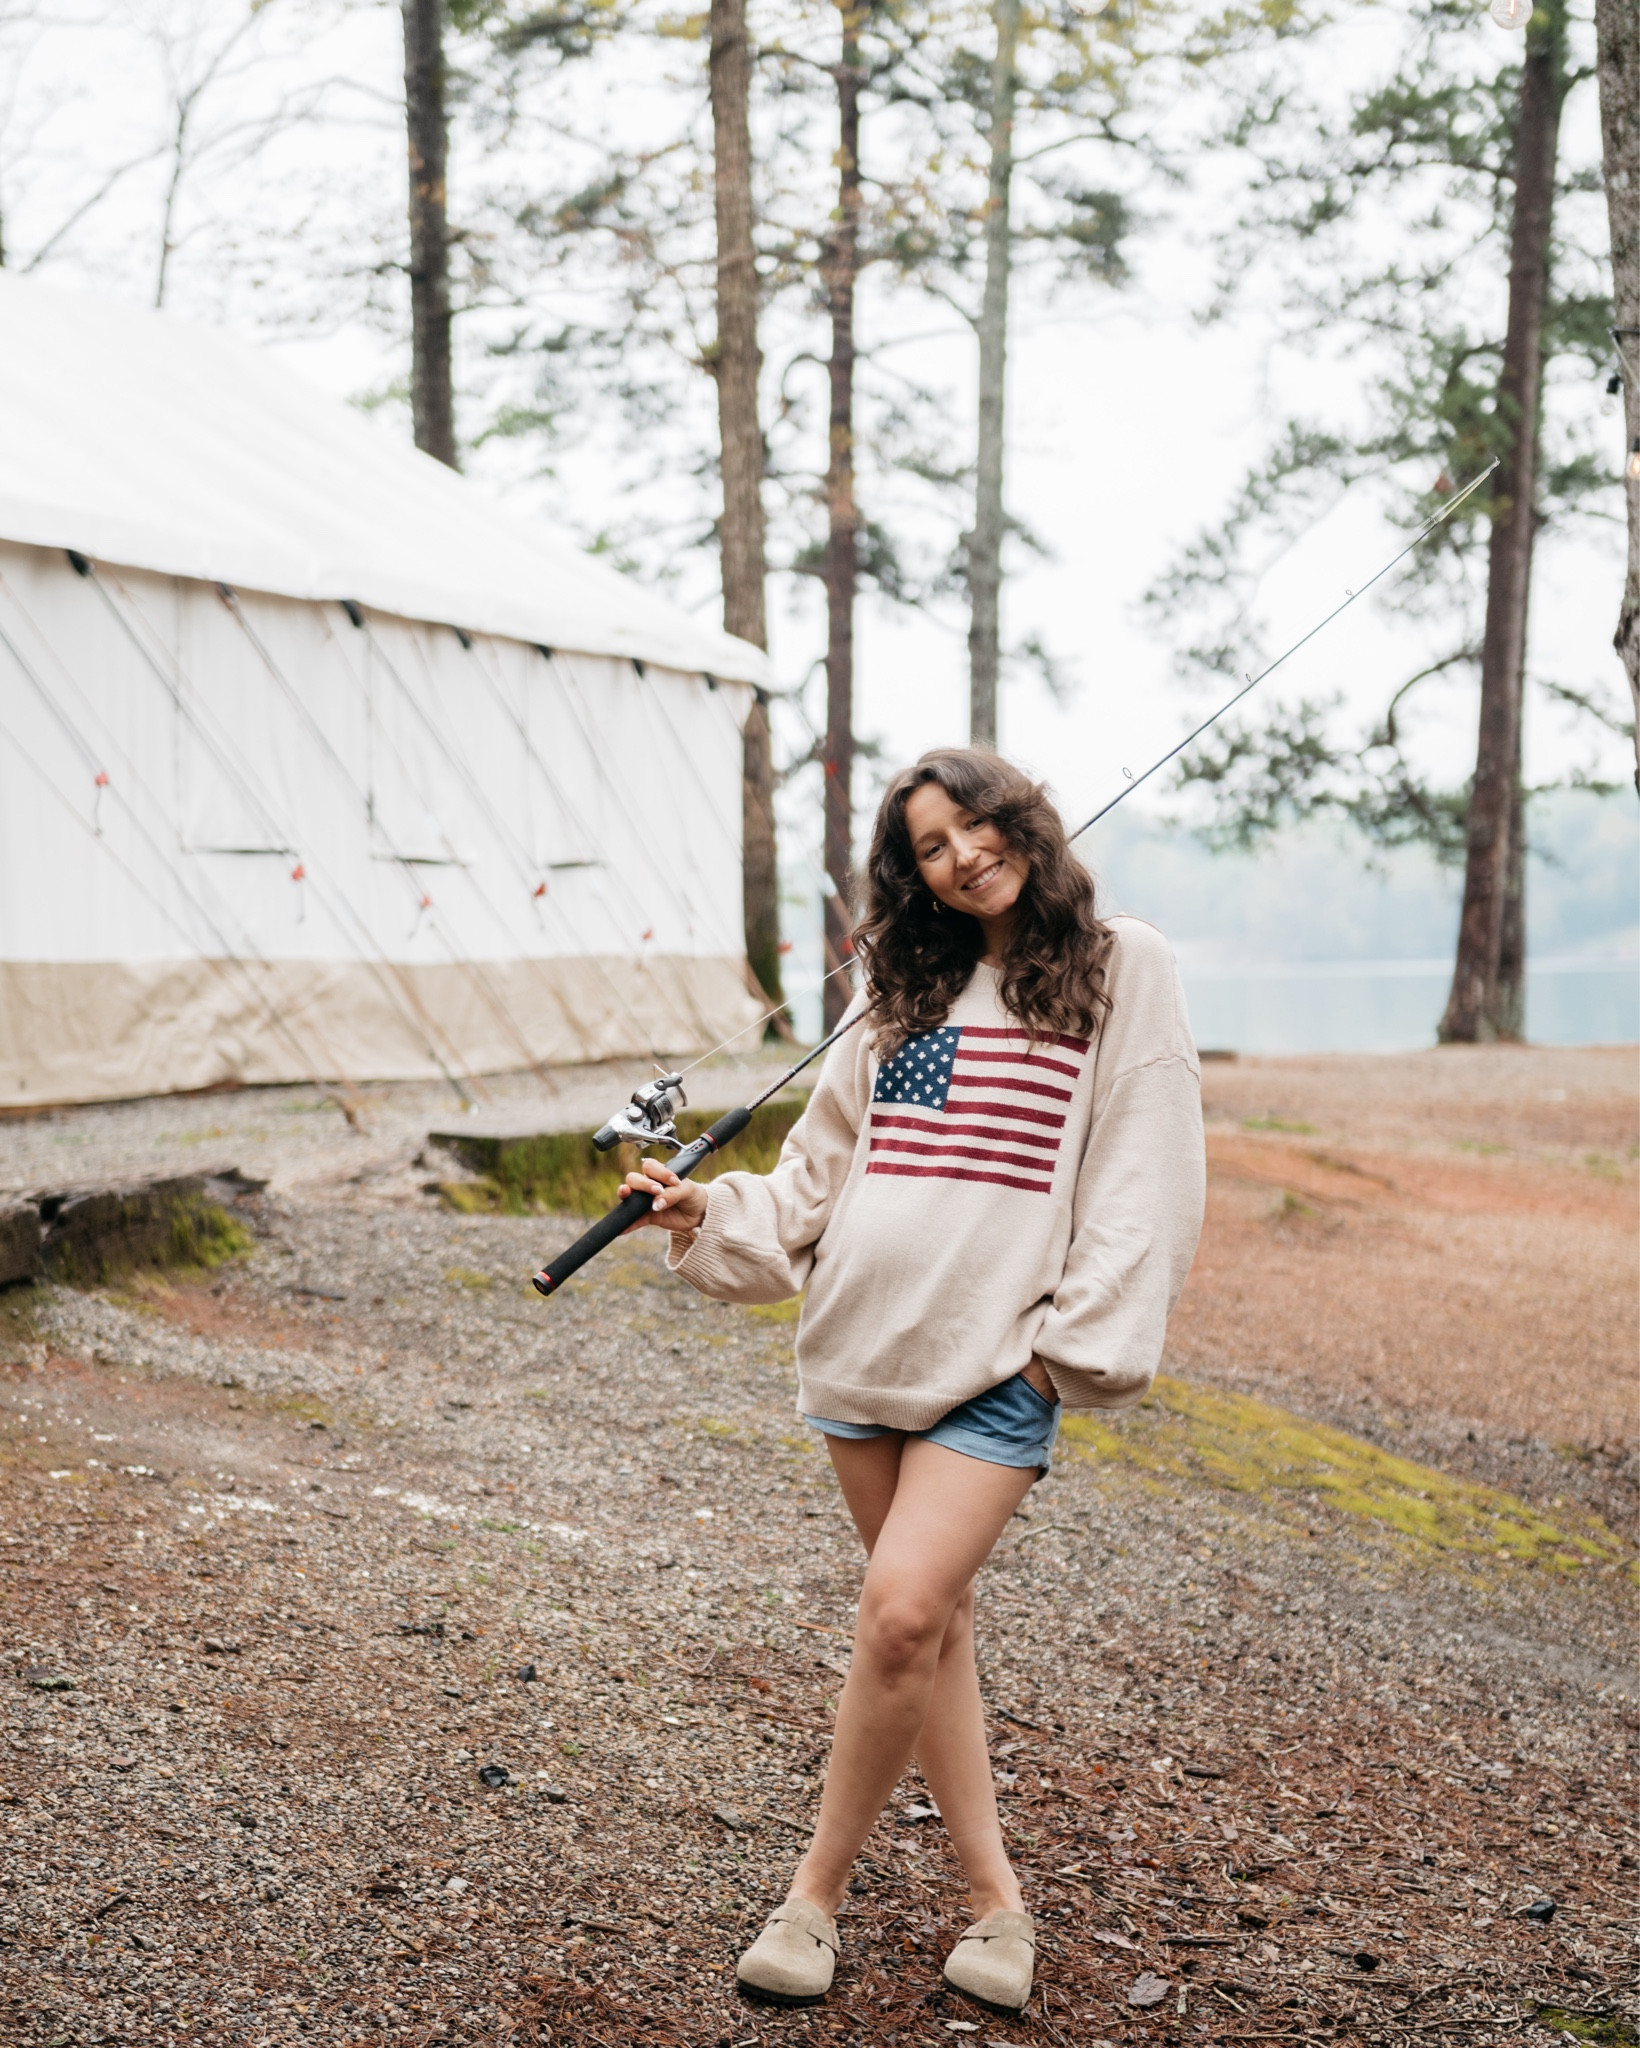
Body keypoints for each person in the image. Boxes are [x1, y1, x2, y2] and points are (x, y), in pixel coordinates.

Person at [618, 747, 1205, 2015]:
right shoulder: (900, 986)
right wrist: (697, 1209)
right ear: (913, 873)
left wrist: (1066, 1351)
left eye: (976, 824)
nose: (961, 855)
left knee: (895, 1615)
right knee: (923, 1624)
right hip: (859, 1349)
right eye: (930, 846)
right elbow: (817, 1180)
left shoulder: (1119, 964)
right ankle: (996, 1905)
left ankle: (810, 1900)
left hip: (998, 1365)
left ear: (1021, 819)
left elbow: (1142, 1174)